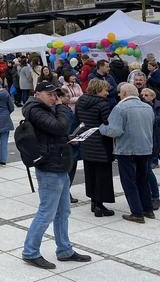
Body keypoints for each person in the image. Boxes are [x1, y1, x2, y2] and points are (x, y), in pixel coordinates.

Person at [22, 81, 91, 269]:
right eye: (50, 94)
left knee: (63, 212)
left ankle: (65, 250)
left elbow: (54, 133)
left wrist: (69, 139)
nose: (54, 97)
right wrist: (62, 107)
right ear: (37, 94)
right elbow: (60, 127)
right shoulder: (35, 110)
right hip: (49, 168)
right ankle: (30, 252)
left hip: (59, 164)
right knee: (46, 212)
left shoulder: (47, 108)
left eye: (55, 94)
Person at [99, 83, 155, 223]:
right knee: (143, 179)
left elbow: (114, 131)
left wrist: (101, 128)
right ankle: (148, 209)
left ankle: (137, 213)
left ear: (123, 94)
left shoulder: (120, 108)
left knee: (129, 182)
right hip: (146, 148)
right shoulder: (148, 107)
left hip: (126, 150)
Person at [74, 79, 115, 217]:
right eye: (105, 90)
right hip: (101, 143)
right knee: (102, 175)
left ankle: (93, 202)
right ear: (98, 90)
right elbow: (107, 123)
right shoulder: (102, 104)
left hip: (87, 139)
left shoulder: (81, 101)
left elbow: (77, 118)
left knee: (90, 173)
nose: (107, 93)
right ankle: (99, 206)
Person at [140, 88, 160, 210]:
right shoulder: (141, 107)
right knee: (144, 170)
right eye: (142, 94)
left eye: (146, 95)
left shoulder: (156, 107)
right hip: (144, 142)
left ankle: (155, 196)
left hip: (153, 142)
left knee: (147, 170)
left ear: (153, 96)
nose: (144, 96)